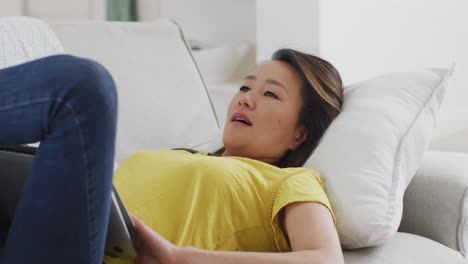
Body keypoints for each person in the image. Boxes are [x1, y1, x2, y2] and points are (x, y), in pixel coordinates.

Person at [0, 48, 344, 264]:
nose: (246, 99)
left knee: (84, 87)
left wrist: (182, 258)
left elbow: (325, 259)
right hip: (25, 235)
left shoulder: (289, 181)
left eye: (270, 94)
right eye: (244, 87)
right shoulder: (185, 154)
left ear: (300, 133)